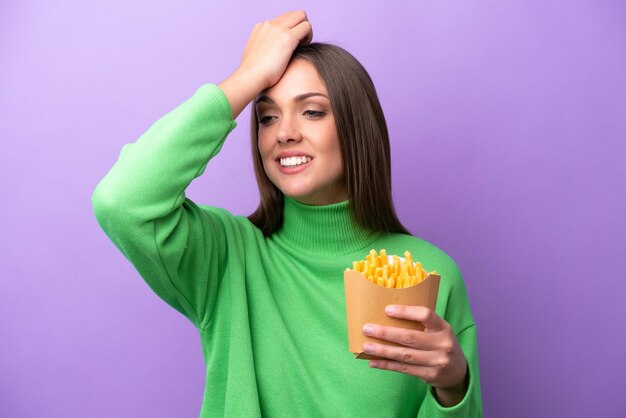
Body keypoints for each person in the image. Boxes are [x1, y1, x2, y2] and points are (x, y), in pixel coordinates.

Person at [92, 10, 483, 417]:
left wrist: (453, 387)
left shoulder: (428, 273)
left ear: (356, 125)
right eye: (266, 116)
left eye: (312, 111)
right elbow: (122, 199)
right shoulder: (227, 259)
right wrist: (247, 77)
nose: (283, 133)